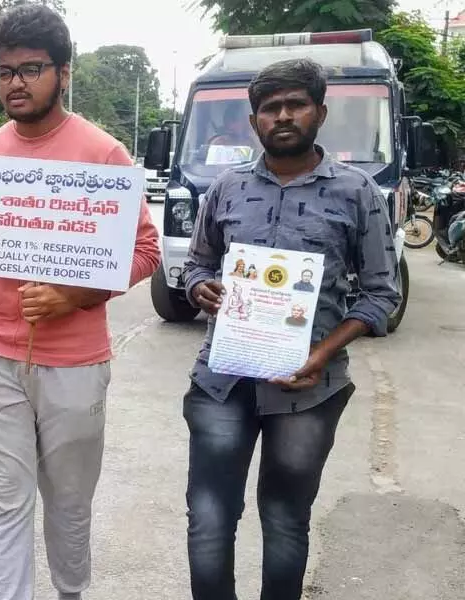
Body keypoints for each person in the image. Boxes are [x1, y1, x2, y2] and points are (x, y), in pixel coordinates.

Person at [0, 6, 160, 600]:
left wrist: (73, 295)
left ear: (62, 73)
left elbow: (145, 251)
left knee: (68, 504)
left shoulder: (103, 154)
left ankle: (71, 592)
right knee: (5, 500)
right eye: (5, 70)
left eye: (31, 69)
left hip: (76, 364)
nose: (15, 82)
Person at [181, 59, 400, 600]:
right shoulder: (226, 189)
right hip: (222, 382)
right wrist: (198, 288)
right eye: (269, 108)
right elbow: (197, 264)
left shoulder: (357, 193)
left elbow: (382, 294)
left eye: (295, 104)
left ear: (320, 112)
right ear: (254, 121)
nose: (282, 116)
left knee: (284, 519)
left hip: (308, 392)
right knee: (208, 518)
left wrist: (321, 354)